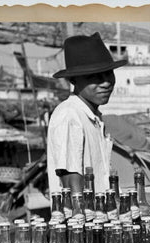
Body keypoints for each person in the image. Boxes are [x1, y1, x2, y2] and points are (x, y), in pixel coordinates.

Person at [47, 32, 127, 195]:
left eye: (108, 73)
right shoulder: (70, 116)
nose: (105, 82)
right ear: (73, 80)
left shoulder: (93, 118)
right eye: (94, 77)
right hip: (84, 219)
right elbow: (72, 185)